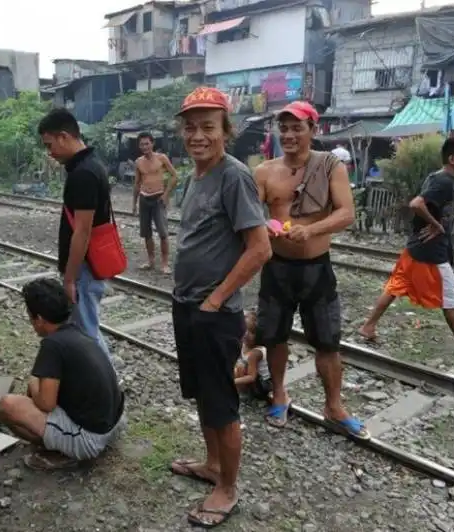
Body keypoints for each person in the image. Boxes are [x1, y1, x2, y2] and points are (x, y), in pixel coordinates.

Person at [168, 87, 271, 528]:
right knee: (203, 394)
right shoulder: (194, 177)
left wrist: (214, 299)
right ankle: (212, 465)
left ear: (225, 131)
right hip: (187, 305)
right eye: (191, 127)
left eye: (208, 127)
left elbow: (259, 248)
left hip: (214, 312)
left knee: (222, 402)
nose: (198, 136)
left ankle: (227, 487)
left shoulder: (234, 176)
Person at [253, 101, 367, 438]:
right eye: (283, 128)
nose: (288, 134)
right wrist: (265, 227)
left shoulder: (331, 167)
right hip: (277, 267)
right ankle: (279, 394)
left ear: (312, 130)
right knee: (273, 336)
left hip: (317, 267)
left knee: (328, 342)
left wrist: (310, 230)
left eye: (296, 128)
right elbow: (249, 213)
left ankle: (334, 406)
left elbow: (346, 213)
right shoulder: (264, 171)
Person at [359, 137, 454, 359]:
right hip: (430, 251)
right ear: (453, 159)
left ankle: (368, 326)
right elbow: (416, 204)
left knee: (396, 284)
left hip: (417, 246)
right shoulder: (444, 181)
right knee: (450, 296)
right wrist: (436, 226)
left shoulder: (441, 177)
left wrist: (435, 223)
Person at [0, 278, 125, 469]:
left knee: (8, 406)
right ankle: (64, 442)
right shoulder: (78, 331)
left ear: (39, 319)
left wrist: (33, 381)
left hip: (91, 438)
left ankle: (63, 453)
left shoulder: (52, 344)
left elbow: (46, 403)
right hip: (116, 422)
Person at [37, 108, 112, 361]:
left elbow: (82, 232)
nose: (50, 152)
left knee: (87, 333)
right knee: (87, 326)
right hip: (87, 267)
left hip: (84, 269)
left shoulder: (83, 174)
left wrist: (69, 279)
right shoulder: (90, 166)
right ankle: (106, 386)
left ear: (63, 136)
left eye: (50, 145)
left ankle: (107, 390)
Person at [132, 132, 178, 274]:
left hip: (158, 199)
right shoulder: (138, 162)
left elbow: (174, 176)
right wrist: (134, 203)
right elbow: (137, 183)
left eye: (147, 143)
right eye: (142, 144)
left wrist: (166, 194)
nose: (144, 147)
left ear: (152, 144)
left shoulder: (162, 158)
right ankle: (151, 261)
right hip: (144, 198)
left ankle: (164, 263)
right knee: (146, 233)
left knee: (163, 233)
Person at [233, 311, 271, 399]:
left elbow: (252, 377)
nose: (246, 334)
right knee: (236, 366)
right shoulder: (245, 344)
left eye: (251, 332)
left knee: (240, 366)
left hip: (261, 386)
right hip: (252, 379)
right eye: (245, 329)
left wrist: (233, 381)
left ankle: (240, 393)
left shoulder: (256, 353)